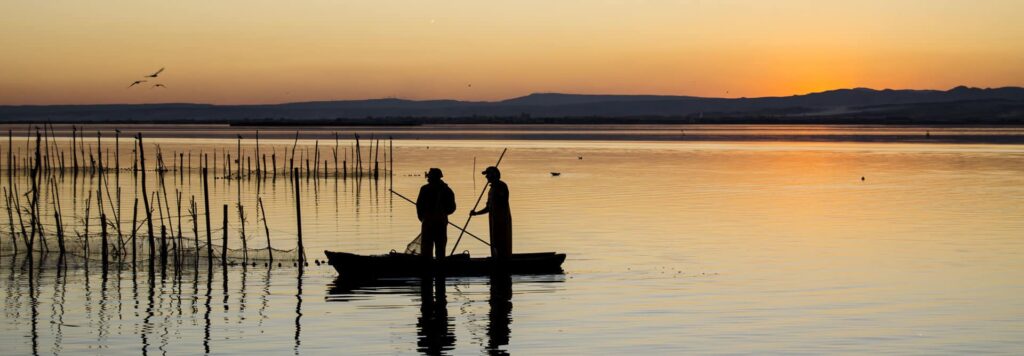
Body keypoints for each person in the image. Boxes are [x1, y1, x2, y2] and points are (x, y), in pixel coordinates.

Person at [470, 166, 512, 261]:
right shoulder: (492, 189)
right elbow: (489, 207)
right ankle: (497, 258)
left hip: (502, 220)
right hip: (494, 219)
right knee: (495, 241)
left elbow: (501, 202)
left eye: (488, 175)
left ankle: (503, 259)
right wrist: (476, 213)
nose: (486, 177)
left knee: (502, 241)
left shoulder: (501, 186)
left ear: (494, 175)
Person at [416, 168, 457, 262]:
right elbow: (452, 208)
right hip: (439, 222)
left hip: (431, 222)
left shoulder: (425, 189)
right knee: (440, 247)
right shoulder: (447, 190)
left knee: (428, 246)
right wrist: (443, 214)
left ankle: (428, 268)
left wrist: (422, 218)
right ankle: (440, 266)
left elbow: (419, 206)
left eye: (429, 176)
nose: (428, 178)